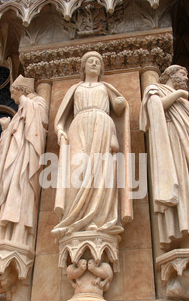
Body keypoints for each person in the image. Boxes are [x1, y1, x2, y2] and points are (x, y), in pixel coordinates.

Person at [51, 51, 133, 239]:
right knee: (76, 172)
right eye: (90, 61)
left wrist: (121, 103)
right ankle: (73, 219)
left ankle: (99, 220)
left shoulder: (106, 87)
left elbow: (119, 108)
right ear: (83, 67)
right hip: (78, 126)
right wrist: (60, 130)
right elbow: (61, 117)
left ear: (101, 68)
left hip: (103, 125)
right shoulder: (75, 88)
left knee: (102, 172)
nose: (94, 64)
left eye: (97, 62)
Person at [140, 65, 189, 250]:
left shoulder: (185, 101)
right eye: (183, 74)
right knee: (182, 184)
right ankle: (183, 235)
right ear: (170, 75)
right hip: (173, 142)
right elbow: (154, 110)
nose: (187, 78)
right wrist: (178, 96)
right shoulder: (155, 89)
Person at [0, 75, 48, 249]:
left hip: (23, 161)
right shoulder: (21, 110)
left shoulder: (36, 103)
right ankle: (1, 233)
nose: (11, 96)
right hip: (12, 161)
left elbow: (39, 124)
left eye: (13, 91)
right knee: (8, 189)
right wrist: (6, 130)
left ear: (23, 90)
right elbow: (14, 139)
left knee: (18, 188)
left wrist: (25, 101)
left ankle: (15, 234)